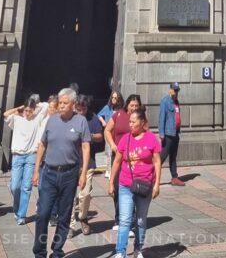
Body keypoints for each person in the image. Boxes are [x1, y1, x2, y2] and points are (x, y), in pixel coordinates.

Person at [32, 87, 91, 258]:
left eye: (66, 103)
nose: (62, 106)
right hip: (49, 173)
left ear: (73, 104)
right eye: (60, 103)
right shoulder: (51, 120)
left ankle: (57, 251)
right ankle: (40, 252)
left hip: (70, 174)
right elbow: (42, 144)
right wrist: (36, 170)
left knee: (64, 216)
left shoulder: (81, 121)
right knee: (43, 213)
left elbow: (86, 147)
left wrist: (83, 172)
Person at [109, 106, 161, 258]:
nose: (130, 125)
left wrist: (157, 183)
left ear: (142, 122)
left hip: (145, 185)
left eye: (133, 122)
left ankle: (138, 249)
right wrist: (111, 182)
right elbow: (117, 162)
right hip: (125, 184)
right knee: (124, 220)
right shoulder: (125, 139)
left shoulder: (151, 138)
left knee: (140, 220)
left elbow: (157, 162)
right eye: (129, 122)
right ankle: (120, 251)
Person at [4, 94, 48, 225]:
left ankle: (21, 215)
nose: (28, 113)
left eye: (30, 110)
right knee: (15, 186)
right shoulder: (17, 119)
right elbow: (5, 114)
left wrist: (35, 103)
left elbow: (45, 105)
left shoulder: (38, 119)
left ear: (34, 110)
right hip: (17, 155)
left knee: (26, 187)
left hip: (31, 156)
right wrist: (20, 107)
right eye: (26, 111)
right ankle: (17, 208)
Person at [104, 93, 143, 234]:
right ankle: (118, 218)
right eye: (132, 105)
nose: (134, 108)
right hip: (117, 156)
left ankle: (130, 222)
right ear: (127, 105)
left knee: (130, 188)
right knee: (116, 187)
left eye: (136, 106)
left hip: (132, 159)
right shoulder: (118, 115)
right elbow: (107, 130)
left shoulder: (141, 119)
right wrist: (113, 145)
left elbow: (146, 135)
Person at [71, 94, 104, 236]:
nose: (80, 112)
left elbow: (100, 136)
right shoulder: (70, 117)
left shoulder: (93, 118)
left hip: (88, 162)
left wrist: (87, 135)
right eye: (78, 109)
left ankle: (83, 217)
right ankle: (71, 225)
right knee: (70, 196)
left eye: (82, 109)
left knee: (85, 194)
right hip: (71, 161)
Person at [159, 82, 185, 186]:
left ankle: (174, 178)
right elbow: (162, 117)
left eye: (177, 90)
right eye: (174, 90)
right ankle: (151, 176)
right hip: (168, 134)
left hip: (175, 133)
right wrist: (161, 133)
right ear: (170, 90)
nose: (176, 92)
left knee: (173, 157)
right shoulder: (165, 101)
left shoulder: (176, 102)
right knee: (162, 157)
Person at [98, 91, 124, 177]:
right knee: (109, 152)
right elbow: (99, 115)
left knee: (117, 151)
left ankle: (116, 169)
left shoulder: (121, 109)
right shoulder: (107, 107)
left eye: (115, 98)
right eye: (112, 97)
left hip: (118, 134)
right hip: (109, 133)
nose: (113, 99)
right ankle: (109, 170)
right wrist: (103, 122)